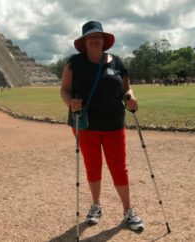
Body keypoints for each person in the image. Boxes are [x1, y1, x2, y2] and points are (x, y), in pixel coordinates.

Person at [60, 20, 144, 231]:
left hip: (114, 124)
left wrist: (131, 99)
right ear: (84, 41)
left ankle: (128, 211)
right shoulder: (74, 63)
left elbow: (126, 88)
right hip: (86, 124)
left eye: (98, 36)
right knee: (93, 166)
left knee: (119, 168)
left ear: (105, 39)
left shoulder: (117, 63)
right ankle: (96, 205)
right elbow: (64, 89)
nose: (95, 39)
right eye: (90, 36)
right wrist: (71, 102)